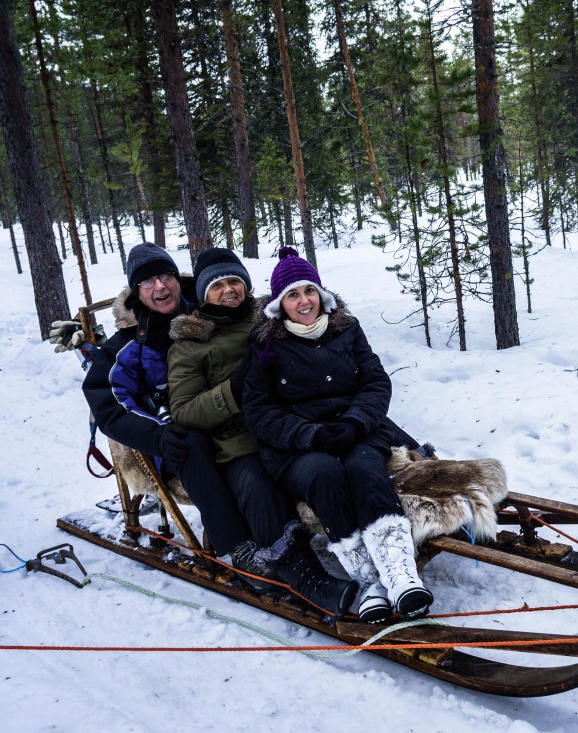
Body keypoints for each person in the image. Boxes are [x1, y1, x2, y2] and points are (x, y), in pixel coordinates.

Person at [243, 246, 433, 622]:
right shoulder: (266, 345)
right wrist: (311, 434)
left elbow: (376, 381)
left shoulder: (347, 329)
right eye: (293, 295)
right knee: (324, 475)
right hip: (299, 446)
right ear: (280, 304)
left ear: (321, 294)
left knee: (365, 468)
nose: (304, 301)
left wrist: (356, 422)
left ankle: (401, 575)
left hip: (355, 428)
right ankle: (368, 582)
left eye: (309, 291)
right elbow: (259, 411)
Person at [167, 248, 356, 616]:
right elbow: (184, 412)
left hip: (293, 424)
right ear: (205, 293)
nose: (229, 290)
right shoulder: (190, 344)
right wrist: (233, 390)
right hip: (239, 443)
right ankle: (303, 575)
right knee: (257, 483)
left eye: (235, 281)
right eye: (218, 285)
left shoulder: (268, 318)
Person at [80, 243, 265, 585]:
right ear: (136, 291)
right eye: (148, 281)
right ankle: (237, 547)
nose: (161, 286)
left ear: (179, 280)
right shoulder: (124, 347)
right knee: (189, 439)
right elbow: (110, 403)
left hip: (229, 412)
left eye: (166, 275)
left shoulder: (209, 308)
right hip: (175, 435)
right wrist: (159, 435)